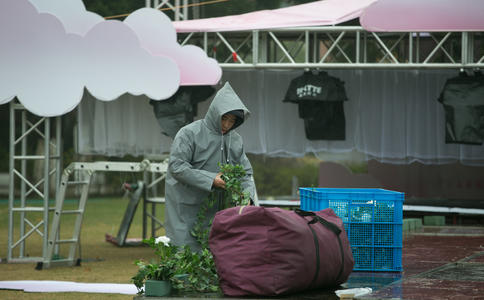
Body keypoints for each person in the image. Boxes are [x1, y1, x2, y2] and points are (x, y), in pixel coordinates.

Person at [164, 82, 255, 251]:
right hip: (187, 208)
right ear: (215, 113)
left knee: (215, 259)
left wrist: (247, 197)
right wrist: (211, 179)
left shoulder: (235, 140)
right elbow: (176, 166)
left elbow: (245, 173)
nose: (227, 125)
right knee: (185, 258)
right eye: (224, 118)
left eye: (233, 121)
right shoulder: (189, 133)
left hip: (219, 211)